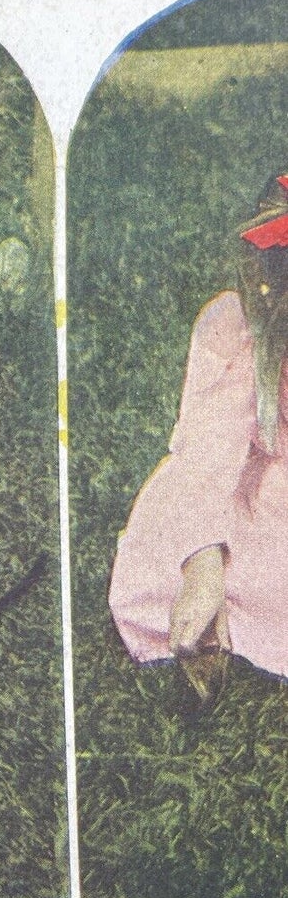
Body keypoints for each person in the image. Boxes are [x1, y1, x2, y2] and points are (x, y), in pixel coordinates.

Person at [109, 173, 288, 688]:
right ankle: (219, 607)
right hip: (258, 486)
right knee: (162, 562)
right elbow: (209, 449)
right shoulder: (239, 329)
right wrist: (203, 565)